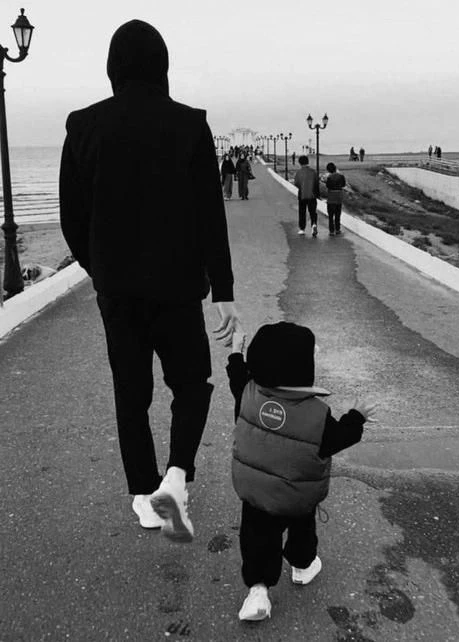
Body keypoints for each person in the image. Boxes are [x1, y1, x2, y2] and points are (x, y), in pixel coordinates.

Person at [59, 19, 241, 543]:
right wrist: (223, 290)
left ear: (113, 67)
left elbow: (72, 217)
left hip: (117, 290)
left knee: (130, 391)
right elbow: (210, 215)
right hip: (178, 287)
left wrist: (100, 269)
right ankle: (177, 476)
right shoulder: (189, 125)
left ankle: (143, 495)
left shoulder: (83, 126)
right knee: (192, 384)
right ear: (162, 65)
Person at [226, 322, 377, 621]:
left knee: (257, 539)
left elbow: (236, 374)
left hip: (255, 493)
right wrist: (357, 416)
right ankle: (302, 566)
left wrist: (235, 351)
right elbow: (340, 438)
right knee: (302, 530)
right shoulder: (316, 414)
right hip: (297, 495)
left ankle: (258, 591)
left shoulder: (247, 392)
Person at [293, 155, 320, 237]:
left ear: (300, 163)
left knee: (302, 211)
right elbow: (316, 182)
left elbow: (296, 183)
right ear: (307, 162)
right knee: (313, 212)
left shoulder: (299, 172)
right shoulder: (313, 172)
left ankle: (302, 229)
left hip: (302, 194)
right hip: (312, 195)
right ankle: (314, 224)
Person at [325, 162, 346, 236]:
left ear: (328, 170)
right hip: (339, 197)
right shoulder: (341, 176)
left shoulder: (329, 177)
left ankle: (331, 231)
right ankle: (337, 229)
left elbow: (328, 186)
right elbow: (343, 184)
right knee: (338, 214)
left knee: (331, 215)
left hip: (331, 197)